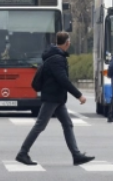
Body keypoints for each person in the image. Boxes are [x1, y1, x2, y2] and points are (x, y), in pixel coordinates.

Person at [16, 32, 95, 166]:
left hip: (57, 98)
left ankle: (76, 155)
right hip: (52, 98)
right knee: (40, 125)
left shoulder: (54, 56)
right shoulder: (57, 59)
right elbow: (63, 79)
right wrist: (79, 95)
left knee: (67, 124)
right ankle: (22, 153)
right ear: (67, 43)